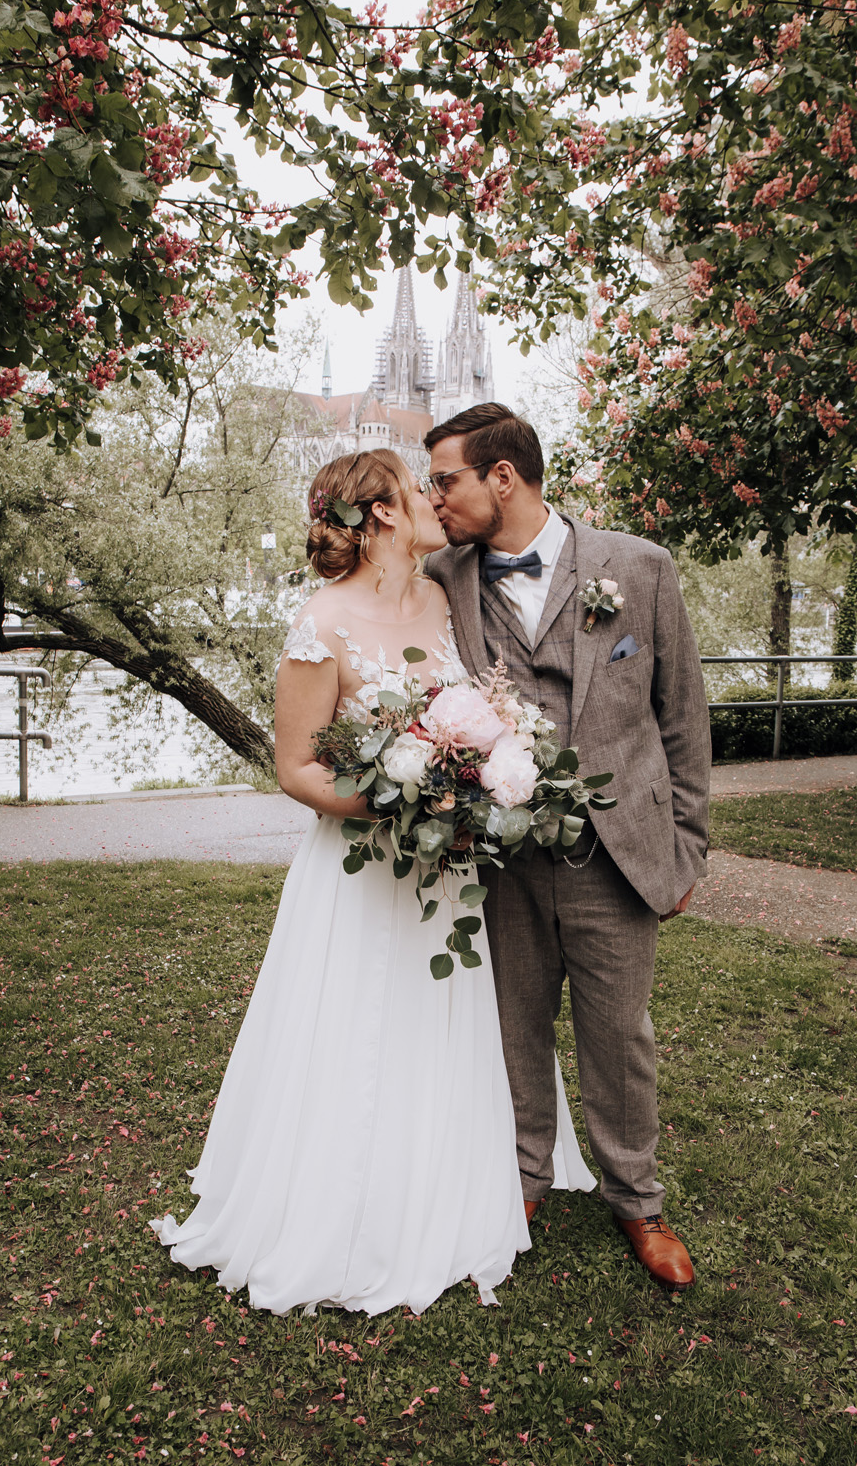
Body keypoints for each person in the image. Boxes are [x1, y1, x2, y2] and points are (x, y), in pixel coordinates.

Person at [150, 447, 594, 1316]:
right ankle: (340, 1207)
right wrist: (403, 803)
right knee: (352, 1028)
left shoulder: (447, 599)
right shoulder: (319, 624)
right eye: (418, 488)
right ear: (383, 512)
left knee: (442, 1020)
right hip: (362, 867)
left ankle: (446, 1187)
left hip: (448, 868)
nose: (434, 499)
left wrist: (477, 785)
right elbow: (294, 768)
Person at [424, 403, 711, 1292]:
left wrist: (686, 849)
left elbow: (681, 716)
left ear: (501, 477)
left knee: (618, 1037)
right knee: (511, 1027)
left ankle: (638, 1202)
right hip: (501, 856)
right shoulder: (441, 575)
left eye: (445, 481)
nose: (434, 500)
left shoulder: (639, 566)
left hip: (617, 853)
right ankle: (521, 1183)